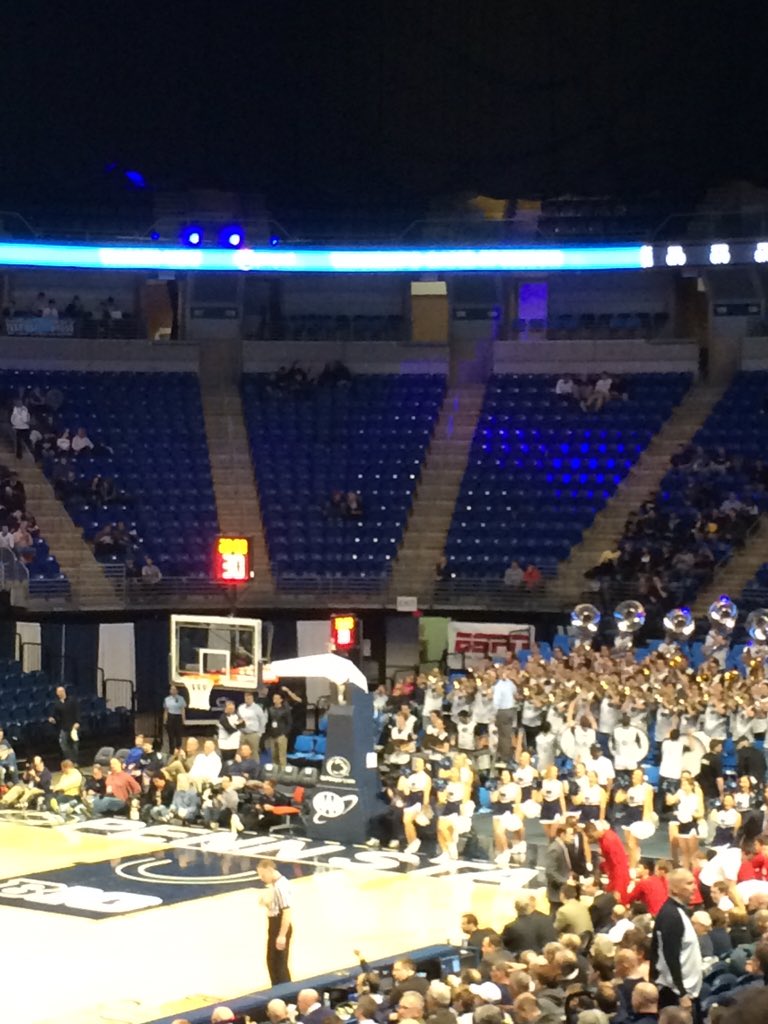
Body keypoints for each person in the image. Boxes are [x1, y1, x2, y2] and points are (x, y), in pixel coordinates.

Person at [650, 869, 703, 1020]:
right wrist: (682, 993)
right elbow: (669, 957)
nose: (694, 887)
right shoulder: (671, 916)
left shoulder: (679, 912)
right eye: (689, 883)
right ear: (674, 889)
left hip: (686, 992)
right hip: (676, 995)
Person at [257, 859, 293, 984]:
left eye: (263, 875)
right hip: (275, 924)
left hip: (279, 926)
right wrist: (267, 903)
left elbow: (287, 912)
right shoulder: (276, 884)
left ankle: (285, 995)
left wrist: (282, 935)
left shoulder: (280, 887)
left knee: (278, 966)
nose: (261, 878)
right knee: (273, 963)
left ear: (270, 870)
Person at [544, 825, 576, 915]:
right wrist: (565, 881)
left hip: (562, 890)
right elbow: (550, 872)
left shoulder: (562, 846)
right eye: (571, 834)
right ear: (562, 834)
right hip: (556, 892)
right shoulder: (554, 849)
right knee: (555, 917)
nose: (573, 837)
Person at [47, 685, 80, 764]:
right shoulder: (57, 704)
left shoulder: (72, 701)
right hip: (63, 727)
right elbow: (55, 716)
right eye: (58, 692)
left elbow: (77, 712)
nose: (60, 693)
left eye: (61, 691)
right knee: (64, 745)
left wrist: (77, 722)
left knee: (74, 746)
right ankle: (69, 761)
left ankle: (74, 761)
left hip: (73, 727)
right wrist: (52, 719)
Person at [265, 692, 293, 767]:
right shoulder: (270, 709)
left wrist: (285, 734)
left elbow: (289, 723)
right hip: (272, 735)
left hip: (281, 735)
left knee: (282, 756)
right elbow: (268, 722)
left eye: (277, 698)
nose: (275, 700)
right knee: (273, 756)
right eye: (274, 698)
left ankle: (283, 772)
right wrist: (269, 733)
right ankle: (274, 772)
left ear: (281, 700)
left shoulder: (285, 710)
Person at [239, 691, 267, 758]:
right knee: (242, 752)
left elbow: (263, 721)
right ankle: (243, 767)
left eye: (249, 698)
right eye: (246, 698)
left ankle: (255, 768)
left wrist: (260, 733)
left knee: (254, 753)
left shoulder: (258, 708)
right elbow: (239, 719)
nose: (247, 699)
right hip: (243, 734)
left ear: (252, 698)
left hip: (253, 734)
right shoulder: (241, 708)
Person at [163, 684, 187, 753]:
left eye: (174, 689)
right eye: (171, 689)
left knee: (178, 735)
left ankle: (178, 749)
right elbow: (166, 711)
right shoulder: (167, 699)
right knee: (171, 735)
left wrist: (183, 719)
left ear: (177, 691)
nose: (172, 691)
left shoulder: (181, 698)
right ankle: (171, 751)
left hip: (178, 717)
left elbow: (183, 710)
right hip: (170, 717)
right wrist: (165, 720)